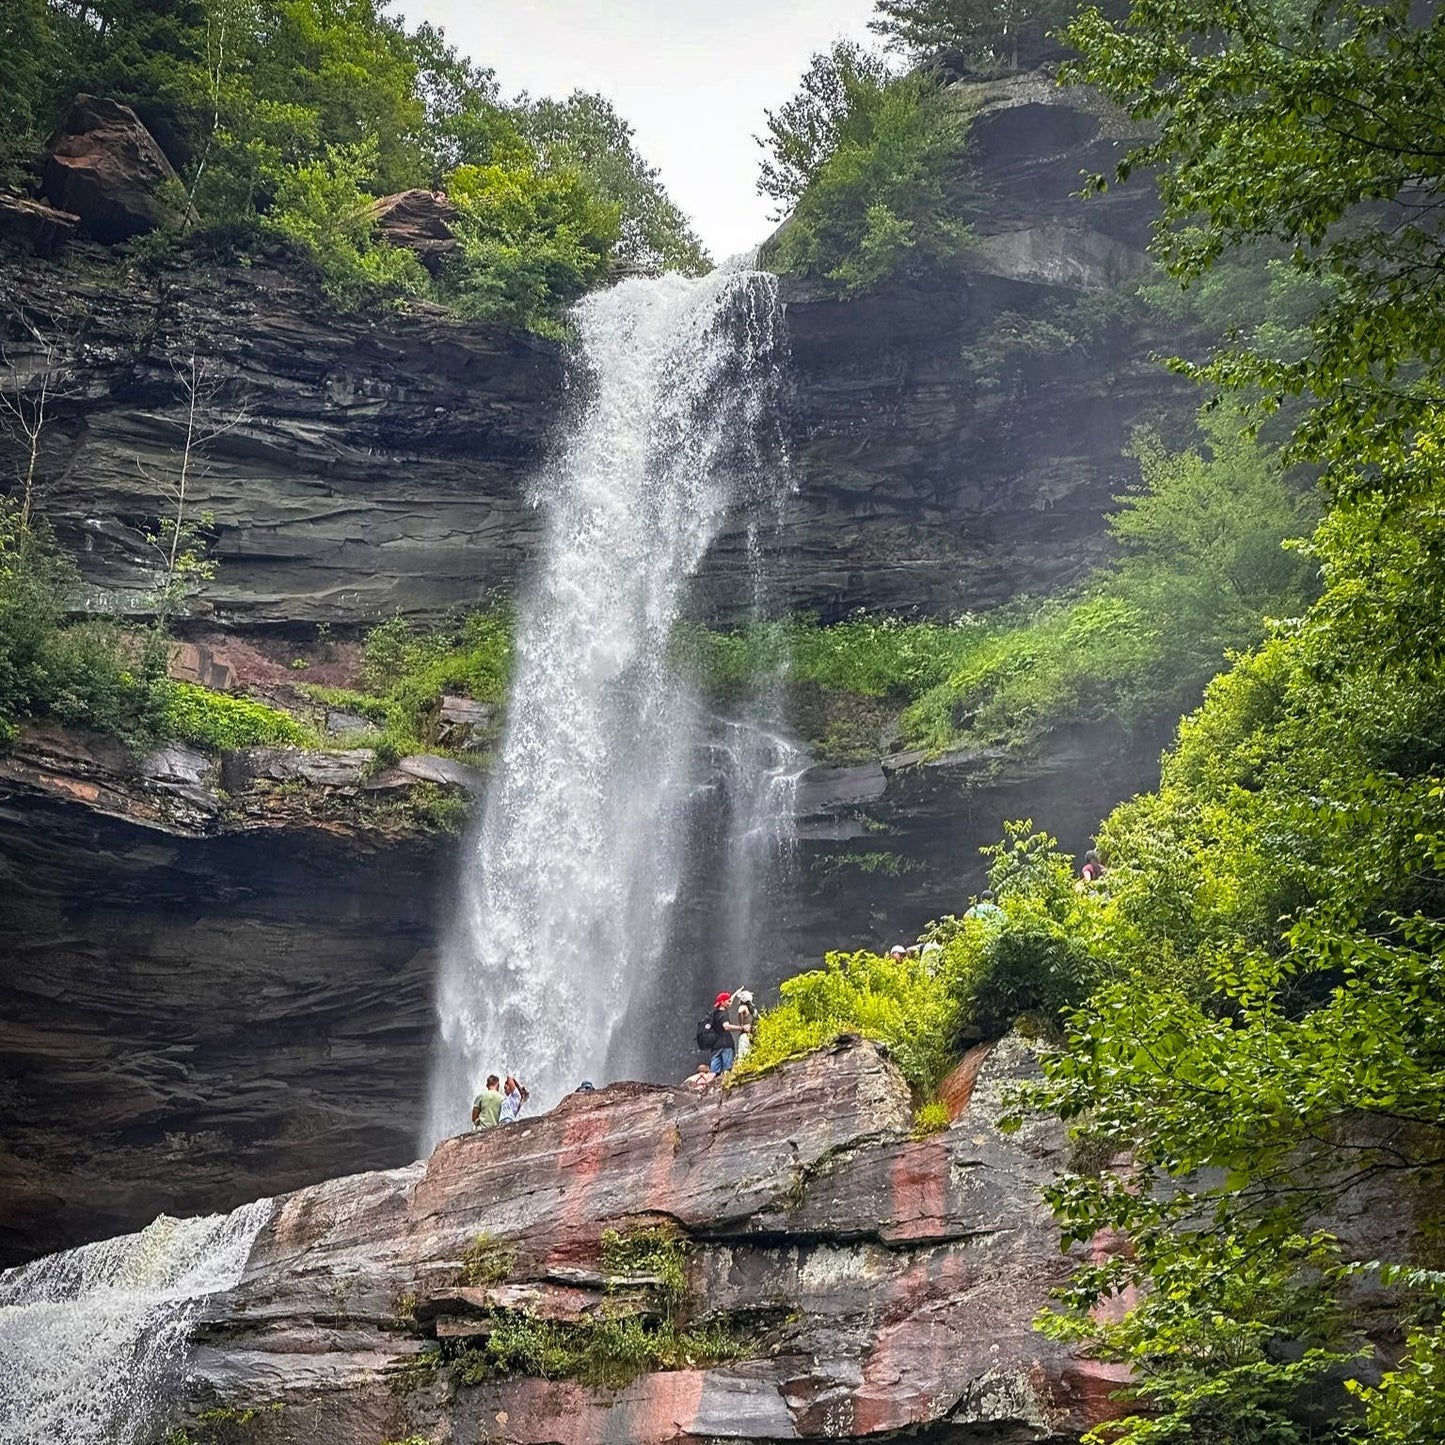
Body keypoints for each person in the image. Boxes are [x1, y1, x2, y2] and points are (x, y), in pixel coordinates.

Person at [704, 990, 735, 1075]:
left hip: (715, 1047)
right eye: (728, 1001)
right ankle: (727, 1087)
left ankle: (711, 1087)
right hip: (726, 1046)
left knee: (713, 1073)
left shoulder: (713, 1015)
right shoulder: (723, 1014)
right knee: (727, 1071)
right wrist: (741, 1027)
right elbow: (726, 1026)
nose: (731, 1003)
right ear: (722, 1002)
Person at [730, 988, 756, 1061]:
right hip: (751, 1035)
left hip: (744, 1034)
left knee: (743, 1055)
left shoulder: (743, 1007)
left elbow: (740, 1010)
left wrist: (741, 1025)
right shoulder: (752, 1010)